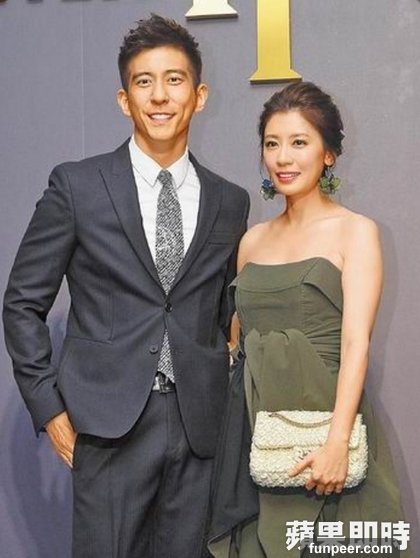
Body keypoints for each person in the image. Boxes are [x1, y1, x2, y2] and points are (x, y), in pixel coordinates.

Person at [2, 14, 249, 558]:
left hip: (199, 430)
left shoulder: (230, 202)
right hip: (108, 427)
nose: (160, 96)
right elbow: (21, 304)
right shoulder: (77, 186)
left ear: (199, 96)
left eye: (175, 80)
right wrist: (50, 411)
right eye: (144, 81)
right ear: (124, 99)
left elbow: (221, 312)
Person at [208, 82, 411, 557]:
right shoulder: (252, 241)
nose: (283, 157)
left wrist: (338, 441)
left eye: (299, 142)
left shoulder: (355, 232)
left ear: (328, 154)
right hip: (256, 434)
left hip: (325, 427)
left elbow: (356, 343)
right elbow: (238, 341)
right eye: (272, 143)